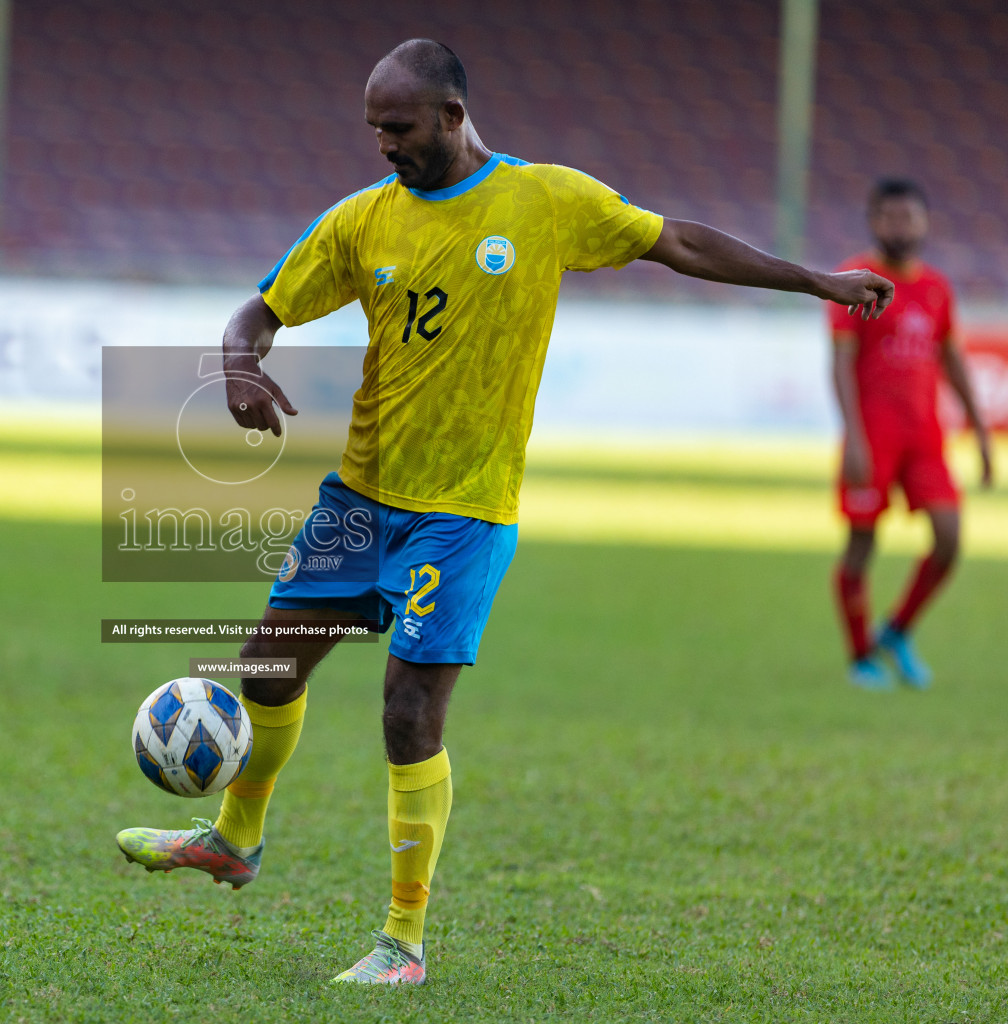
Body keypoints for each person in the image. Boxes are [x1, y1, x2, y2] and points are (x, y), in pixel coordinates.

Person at [116, 38, 893, 986]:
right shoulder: (362, 222)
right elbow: (259, 310)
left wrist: (815, 280)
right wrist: (240, 364)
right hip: (361, 498)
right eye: (372, 130)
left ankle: (403, 941)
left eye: (397, 129)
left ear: (451, 117)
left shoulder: (544, 201)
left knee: (409, 712)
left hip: (465, 511)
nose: (382, 146)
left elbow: (678, 240)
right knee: (267, 672)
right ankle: (236, 840)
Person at [830, 178, 993, 691]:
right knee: (861, 544)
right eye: (889, 217)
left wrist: (983, 434)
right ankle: (861, 657)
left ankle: (897, 631)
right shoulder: (854, 281)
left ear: (925, 222)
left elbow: (953, 361)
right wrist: (853, 438)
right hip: (873, 436)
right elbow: (840, 362)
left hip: (925, 437)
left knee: (949, 540)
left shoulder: (937, 288)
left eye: (909, 217)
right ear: (873, 221)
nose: (899, 226)